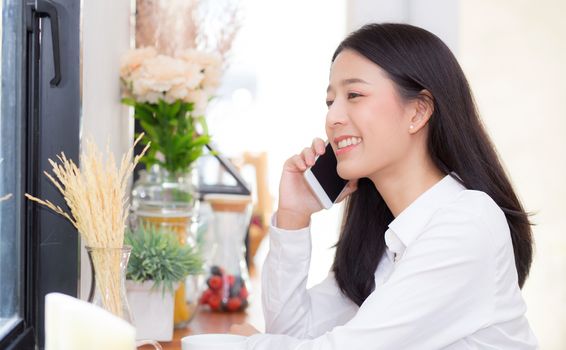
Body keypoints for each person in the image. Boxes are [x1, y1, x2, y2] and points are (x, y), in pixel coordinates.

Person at [230, 23, 538, 349]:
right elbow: (290, 333)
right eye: (330, 101)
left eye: (354, 95)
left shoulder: (467, 223)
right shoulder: (383, 239)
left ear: (418, 111)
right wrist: (294, 214)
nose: (333, 117)